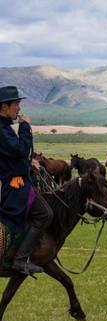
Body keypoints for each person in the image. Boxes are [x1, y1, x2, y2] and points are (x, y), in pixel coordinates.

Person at [0, 86, 53, 275]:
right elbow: (21, 149)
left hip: (15, 180)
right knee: (45, 214)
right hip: (13, 186)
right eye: (16, 104)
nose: (19, 109)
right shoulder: (2, 129)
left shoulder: (4, 127)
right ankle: (20, 260)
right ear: (4, 106)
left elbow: (13, 157)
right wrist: (25, 127)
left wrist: (29, 165)